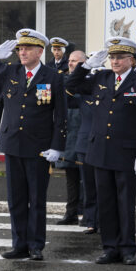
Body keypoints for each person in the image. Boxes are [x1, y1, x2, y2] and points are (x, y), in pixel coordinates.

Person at [0, 29, 66, 260]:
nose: (22, 52)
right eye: (19, 48)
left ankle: (36, 245)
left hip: (39, 147)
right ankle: (19, 244)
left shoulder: (52, 77)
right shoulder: (10, 71)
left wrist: (57, 146)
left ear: (39, 51)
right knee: (16, 198)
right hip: (14, 143)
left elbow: (60, 115)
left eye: (27, 48)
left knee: (36, 199)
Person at [66, 37, 136, 265]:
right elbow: (71, 86)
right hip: (100, 151)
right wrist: (86, 66)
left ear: (131, 60)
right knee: (105, 203)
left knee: (125, 203)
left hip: (127, 153)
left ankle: (127, 249)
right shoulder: (101, 78)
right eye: (112, 57)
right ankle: (110, 247)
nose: (115, 61)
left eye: (120, 57)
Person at [71, 50, 99, 234]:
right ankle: (89, 219)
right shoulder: (82, 91)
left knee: (103, 185)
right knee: (88, 185)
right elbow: (69, 90)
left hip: (103, 144)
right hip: (84, 144)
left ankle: (102, 218)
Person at [56, 51, 84, 225]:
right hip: (69, 135)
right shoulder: (63, 79)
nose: (71, 64)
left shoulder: (90, 79)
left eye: (75, 61)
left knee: (87, 179)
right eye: (70, 61)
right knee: (71, 178)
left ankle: (87, 213)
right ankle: (71, 212)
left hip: (83, 135)